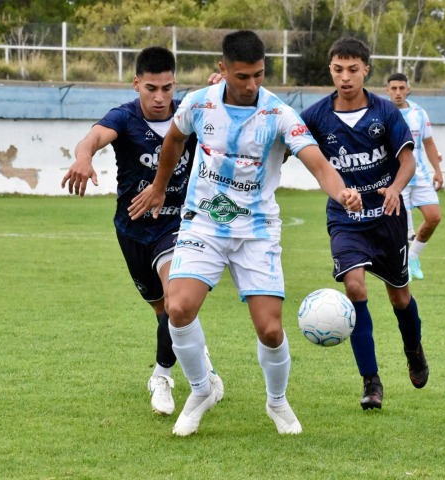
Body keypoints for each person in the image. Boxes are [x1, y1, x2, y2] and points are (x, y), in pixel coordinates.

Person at [128, 30, 362, 436]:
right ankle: (202, 389)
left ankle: (277, 401)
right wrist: (161, 185)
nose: (251, 84)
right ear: (222, 70)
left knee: (270, 330)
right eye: (241, 76)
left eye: (257, 75)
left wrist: (341, 190)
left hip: (256, 230)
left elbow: (316, 161)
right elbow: (175, 139)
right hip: (204, 221)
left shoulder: (279, 114)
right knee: (178, 307)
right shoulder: (200, 103)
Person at [60, 46, 223, 418]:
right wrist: (83, 158)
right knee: (163, 310)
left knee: (174, 298)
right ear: (137, 84)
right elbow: (93, 138)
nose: (160, 97)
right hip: (132, 228)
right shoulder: (125, 117)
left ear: (174, 85)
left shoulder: (190, 113)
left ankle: (161, 377)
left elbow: (228, 112)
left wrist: (221, 91)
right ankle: (199, 359)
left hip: (180, 224)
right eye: (152, 88)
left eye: (167, 88)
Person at [300, 38, 430, 411]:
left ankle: (413, 349)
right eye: (338, 69)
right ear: (331, 70)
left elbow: (407, 162)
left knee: (399, 296)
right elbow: (280, 127)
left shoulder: (386, 112)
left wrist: (395, 188)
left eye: (353, 69)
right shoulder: (315, 116)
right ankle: (371, 382)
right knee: (355, 288)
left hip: (388, 218)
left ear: (366, 70)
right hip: (345, 219)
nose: (345, 77)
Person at [386, 73, 443, 281]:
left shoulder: (419, 112)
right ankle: (401, 270)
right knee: (402, 230)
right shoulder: (382, 113)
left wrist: (437, 169)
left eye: (402, 88)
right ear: (387, 90)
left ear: (407, 89)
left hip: (419, 176)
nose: (398, 92)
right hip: (396, 179)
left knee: (434, 217)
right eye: (394, 88)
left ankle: (413, 257)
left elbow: (428, 143)